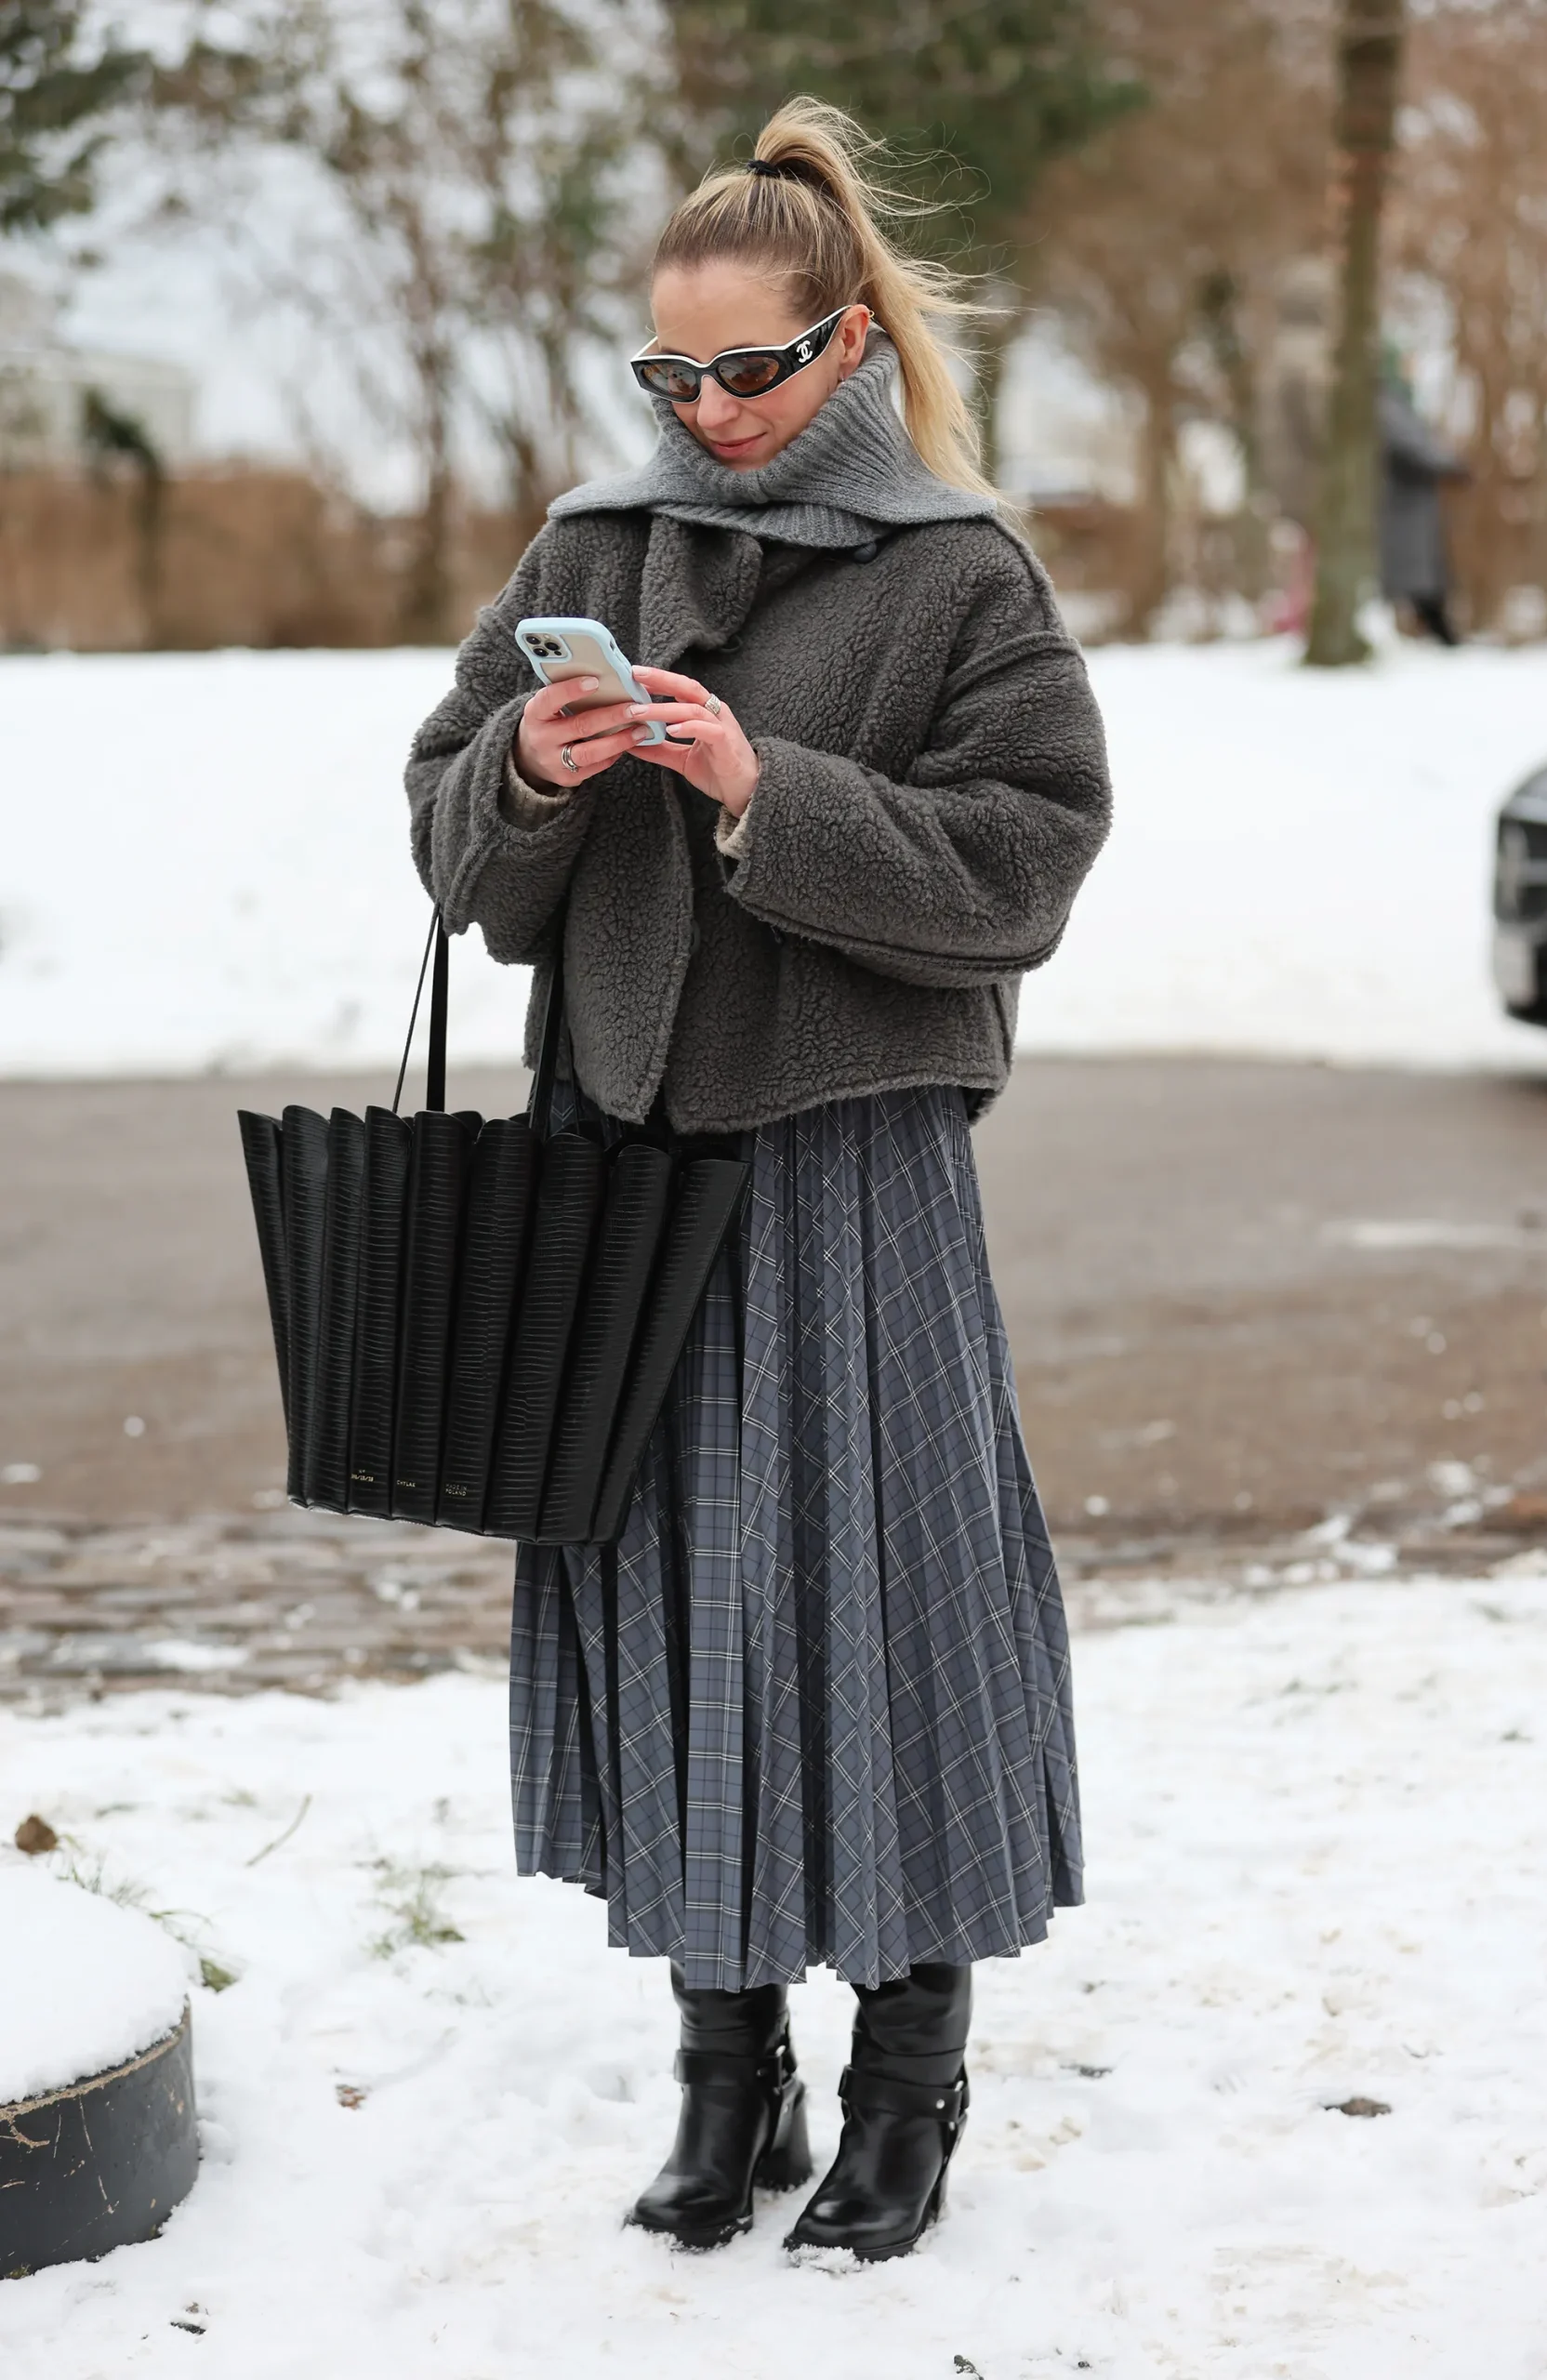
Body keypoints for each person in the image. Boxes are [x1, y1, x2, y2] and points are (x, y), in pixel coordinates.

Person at [405, 98, 1111, 2264]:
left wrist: (761, 791)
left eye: (743, 369)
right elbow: (448, 848)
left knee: (874, 1603)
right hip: (615, 1165)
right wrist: (524, 769)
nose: (702, 413)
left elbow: (1025, 861)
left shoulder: (952, 572)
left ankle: (908, 2071)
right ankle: (729, 2072)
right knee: (667, 1607)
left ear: (843, 348)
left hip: (846, 1176)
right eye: (669, 375)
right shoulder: (586, 550)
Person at [1379, 350, 1467, 645]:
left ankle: (1437, 635)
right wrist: (1449, 466)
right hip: (1400, 509)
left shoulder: (1403, 402)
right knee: (1413, 578)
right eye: (1407, 363)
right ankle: (1438, 636)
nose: (1411, 370)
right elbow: (1410, 448)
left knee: (1425, 577)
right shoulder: (1386, 403)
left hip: (1415, 508)